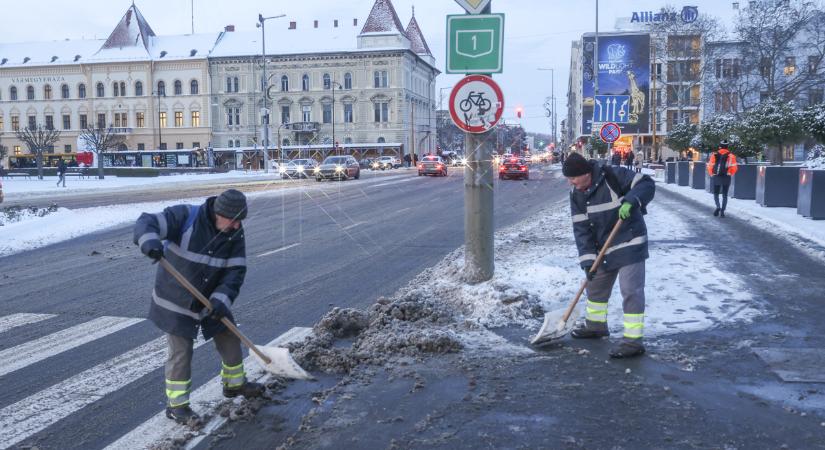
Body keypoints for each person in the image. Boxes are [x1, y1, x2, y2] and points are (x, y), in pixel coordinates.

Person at [133, 189, 264, 424]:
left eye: (239, 221)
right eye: (233, 220)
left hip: (208, 299)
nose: (236, 226)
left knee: (229, 335)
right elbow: (147, 221)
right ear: (218, 213)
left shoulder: (235, 234)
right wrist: (150, 242)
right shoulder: (185, 217)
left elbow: (235, 272)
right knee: (181, 351)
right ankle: (177, 406)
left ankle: (234, 385)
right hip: (176, 299)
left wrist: (221, 301)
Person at [562, 152, 656, 358]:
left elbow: (647, 183)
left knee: (630, 291)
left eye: (573, 177)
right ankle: (596, 326)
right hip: (603, 247)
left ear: (585, 173)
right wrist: (587, 261)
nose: (571, 182)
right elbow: (581, 229)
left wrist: (632, 200)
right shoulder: (576, 194)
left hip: (629, 241)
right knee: (595, 288)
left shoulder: (612, 175)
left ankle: (633, 341)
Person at [707, 140, 738, 218]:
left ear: (720, 146)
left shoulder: (714, 155)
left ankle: (718, 206)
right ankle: (722, 211)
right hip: (726, 177)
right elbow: (735, 168)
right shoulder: (731, 156)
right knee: (725, 194)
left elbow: (710, 166)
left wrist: (711, 174)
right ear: (727, 147)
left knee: (716, 193)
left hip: (716, 176)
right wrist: (729, 173)